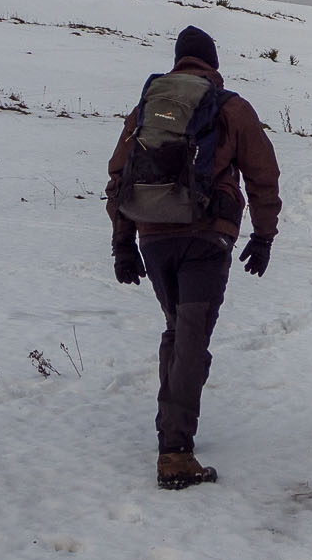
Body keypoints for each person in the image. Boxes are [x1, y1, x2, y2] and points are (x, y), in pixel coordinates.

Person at [106, 26, 281, 489]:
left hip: (153, 236)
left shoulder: (147, 107)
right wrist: (264, 236)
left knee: (178, 328)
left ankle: (172, 432)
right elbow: (264, 175)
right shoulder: (230, 108)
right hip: (206, 236)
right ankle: (176, 453)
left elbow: (119, 177)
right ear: (213, 63)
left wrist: (123, 243)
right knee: (191, 336)